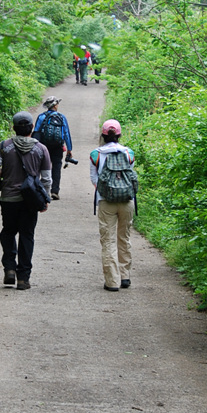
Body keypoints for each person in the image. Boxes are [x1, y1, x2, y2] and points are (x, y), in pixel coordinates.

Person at [0, 111, 52, 290]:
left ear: (13, 128)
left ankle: (9, 268)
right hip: (30, 200)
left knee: (8, 232)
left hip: (8, 198)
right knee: (27, 236)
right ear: (32, 128)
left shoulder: (3, 146)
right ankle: (23, 278)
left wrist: (5, 174)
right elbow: (47, 178)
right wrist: (45, 198)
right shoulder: (42, 149)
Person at [89, 119, 137, 291]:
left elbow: (94, 179)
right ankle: (125, 276)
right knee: (124, 238)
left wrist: (107, 190)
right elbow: (131, 175)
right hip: (127, 201)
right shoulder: (128, 152)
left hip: (106, 202)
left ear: (103, 135)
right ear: (119, 134)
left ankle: (112, 281)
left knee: (108, 240)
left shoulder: (96, 154)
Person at [32, 96, 73, 200]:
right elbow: (66, 134)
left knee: (42, 167)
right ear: (55, 105)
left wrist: (33, 146)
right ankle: (55, 191)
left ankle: (41, 189)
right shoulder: (62, 117)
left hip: (43, 146)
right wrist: (69, 149)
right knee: (56, 167)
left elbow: (36, 132)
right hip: (58, 147)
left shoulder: (42, 117)